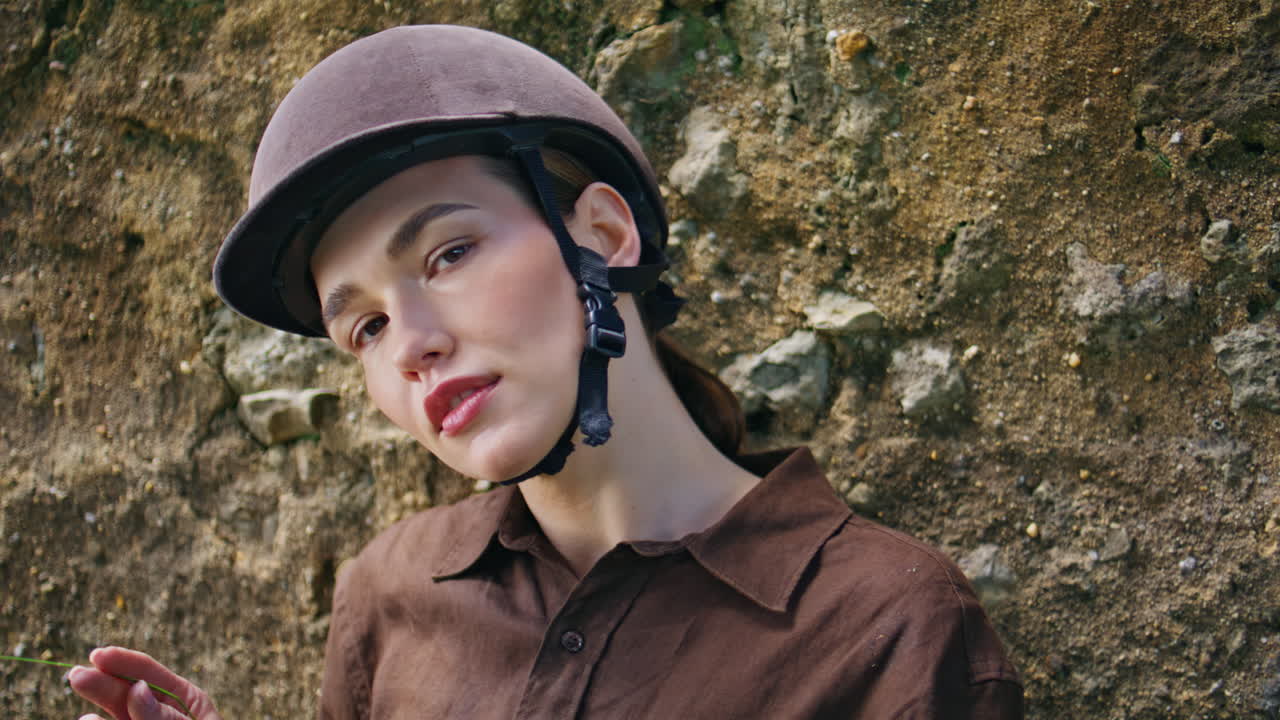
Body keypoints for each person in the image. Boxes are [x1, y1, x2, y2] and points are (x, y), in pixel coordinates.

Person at [68, 25, 1024, 720]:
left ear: (602, 235)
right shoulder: (388, 595)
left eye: (448, 254)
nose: (410, 344)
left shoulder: (888, 627)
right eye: (363, 326)